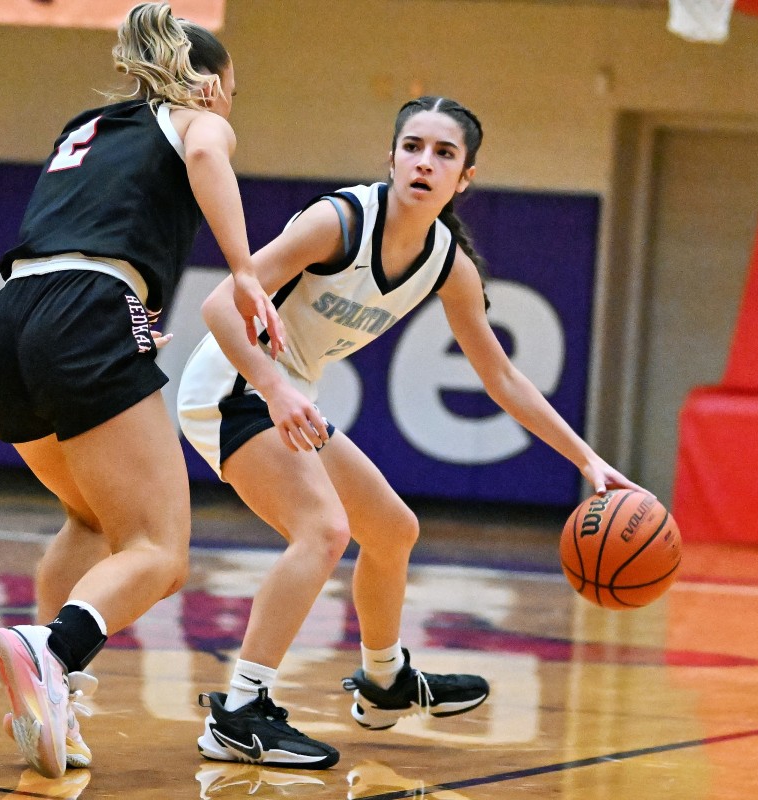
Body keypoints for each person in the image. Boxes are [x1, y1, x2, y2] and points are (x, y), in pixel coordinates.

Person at [177, 95, 641, 769]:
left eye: (444, 153)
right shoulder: (336, 222)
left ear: (465, 177)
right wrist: (274, 386)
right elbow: (222, 304)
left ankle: (386, 683)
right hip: (233, 385)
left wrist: (588, 461)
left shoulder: (447, 264)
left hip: (287, 394)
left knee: (392, 529)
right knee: (325, 530)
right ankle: (240, 713)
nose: (425, 162)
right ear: (391, 158)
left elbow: (503, 378)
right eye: (414, 147)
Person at [0, 1, 284, 779]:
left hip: (9, 318)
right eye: (231, 93)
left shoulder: (90, 124)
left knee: (87, 515)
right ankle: (51, 648)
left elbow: (81, 234)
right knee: (159, 550)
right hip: (87, 314)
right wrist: (244, 270)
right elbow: (209, 156)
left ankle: (47, 700)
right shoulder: (197, 115)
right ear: (208, 85)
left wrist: (123, 315)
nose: (226, 109)